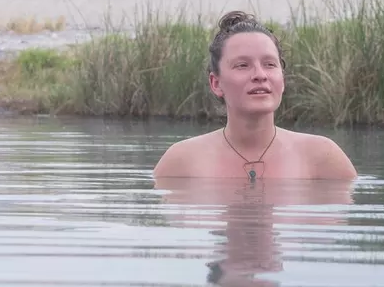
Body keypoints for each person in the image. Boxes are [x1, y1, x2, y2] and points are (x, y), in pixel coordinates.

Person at [153, 10, 357, 180]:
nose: (260, 75)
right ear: (216, 83)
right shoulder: (181, 162)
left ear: (282, 80)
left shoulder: (323, 158)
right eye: (243, 65)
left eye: (269, 64)